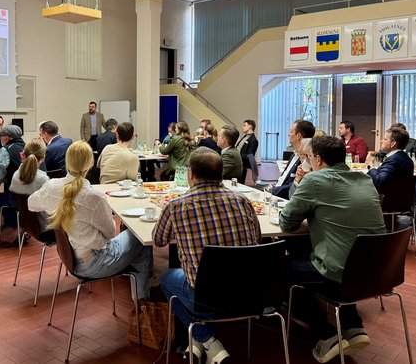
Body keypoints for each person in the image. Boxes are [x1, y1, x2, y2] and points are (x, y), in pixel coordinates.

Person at [279, 136, 385, 363]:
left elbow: (286, 222)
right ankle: (353, 327)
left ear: (317, 159)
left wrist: (311, 220)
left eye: (309, 158)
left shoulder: (315, 180)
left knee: (279, 270)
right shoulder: (364, 179)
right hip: (378, 273)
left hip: (341, 274)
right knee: (343, 252)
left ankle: (326, 334)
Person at [153, 147, 260, 364]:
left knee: (166, 280)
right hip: (248, 293)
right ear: (221, 174)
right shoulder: (242, 201)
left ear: (190, 174)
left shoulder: (177, 206)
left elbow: (158, 240)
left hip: (204, 298)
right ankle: (202, 343)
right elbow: (256, 238)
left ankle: (206, 339)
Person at [28, 141, 152, 299]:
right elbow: (110, 233)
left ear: (67, 161)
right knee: (142, 240)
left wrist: (52, 206)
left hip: (70, 258)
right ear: (90, 164)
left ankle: (139, 290)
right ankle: (142, 300)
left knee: (135, 242)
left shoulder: (51, 187)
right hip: (96, 262)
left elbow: (31, 204)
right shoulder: (94, 197)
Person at [9, 139, 50, 231]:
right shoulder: (43, 179)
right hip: (44, 227)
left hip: (25, 223)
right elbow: (48, 208)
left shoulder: (16, 175)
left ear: (23, 155)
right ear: (43, 158)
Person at [272, 119, 315, 199]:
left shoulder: (307, 160)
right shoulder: (294, 154)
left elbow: (294, 187)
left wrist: (273, 191)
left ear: (298, 136)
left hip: (284, 197)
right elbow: (284, 178)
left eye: (291, 132)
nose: (288, 135)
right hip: (277, 190)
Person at [0, 125, 26, 212]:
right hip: (30, 194)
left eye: (1, 137)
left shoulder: (5, 150)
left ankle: (12, 218)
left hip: (15, 195)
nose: (0, 139)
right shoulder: (28, 147)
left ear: (6, 138)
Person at [366, 127, 414, 192]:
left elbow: (379, 183)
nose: (381, 141)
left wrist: (370, 165)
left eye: (385, 139)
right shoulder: (405, 157)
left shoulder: (393, 160)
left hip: (388, 197)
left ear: (393, 144)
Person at [236, 119, 259, 183]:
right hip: (236, 162)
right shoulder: (245, 136)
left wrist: (237, 156)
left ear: (250, 127)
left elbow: (249, 156)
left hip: (241, 165)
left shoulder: (254, 141)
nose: (242, 127)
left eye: (244, 125)